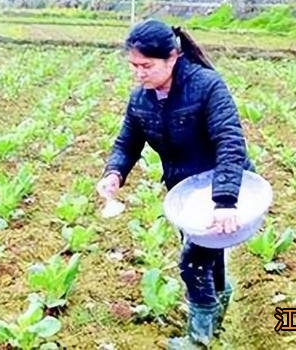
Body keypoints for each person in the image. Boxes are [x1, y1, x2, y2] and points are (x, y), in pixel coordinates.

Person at [96, 19, 254, 347]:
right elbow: (127, 143)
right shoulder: (142, 99)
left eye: (146, 66)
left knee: (193, 261)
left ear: (172, 58)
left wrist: (225, 201)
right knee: (208, 252)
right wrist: (114, 173)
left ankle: (199, 339)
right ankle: (218, 314)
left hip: (223, 188)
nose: (139, 73)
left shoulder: (207, 86)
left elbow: (229, 141)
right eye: (133, 66)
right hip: (186, 193)